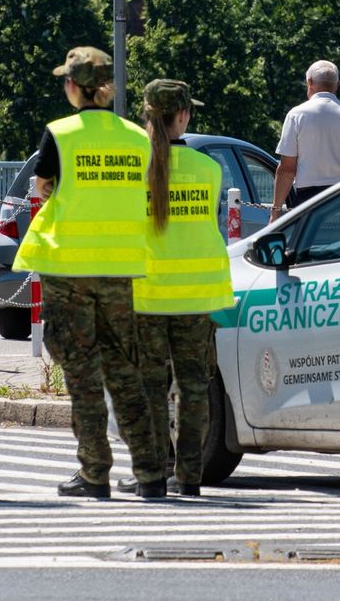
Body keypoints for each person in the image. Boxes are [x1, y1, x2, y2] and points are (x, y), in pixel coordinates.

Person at [12, 46, 165, 499]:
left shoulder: (60, 134)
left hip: (71, 268)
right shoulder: (137, 137)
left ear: (75, 87)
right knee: (125, 370)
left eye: (65, 80)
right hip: (121, 268)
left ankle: (95, 473)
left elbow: (42, 186)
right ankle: (152, 472)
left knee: (82, 372)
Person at [116, 79, 235, 498]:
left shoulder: (134, 171)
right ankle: (188, 477)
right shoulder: (210, 170)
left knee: (149, 386)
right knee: (193, 387)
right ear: (183, 115)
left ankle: (150, 476)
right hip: (196, 296)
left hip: (147, 294)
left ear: (147, 115)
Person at [270, 60, 340, 221]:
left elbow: (287, 169)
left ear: (310, 82)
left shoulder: (296, 115)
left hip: (308, 202)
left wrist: (275, 212)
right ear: (337, 85)